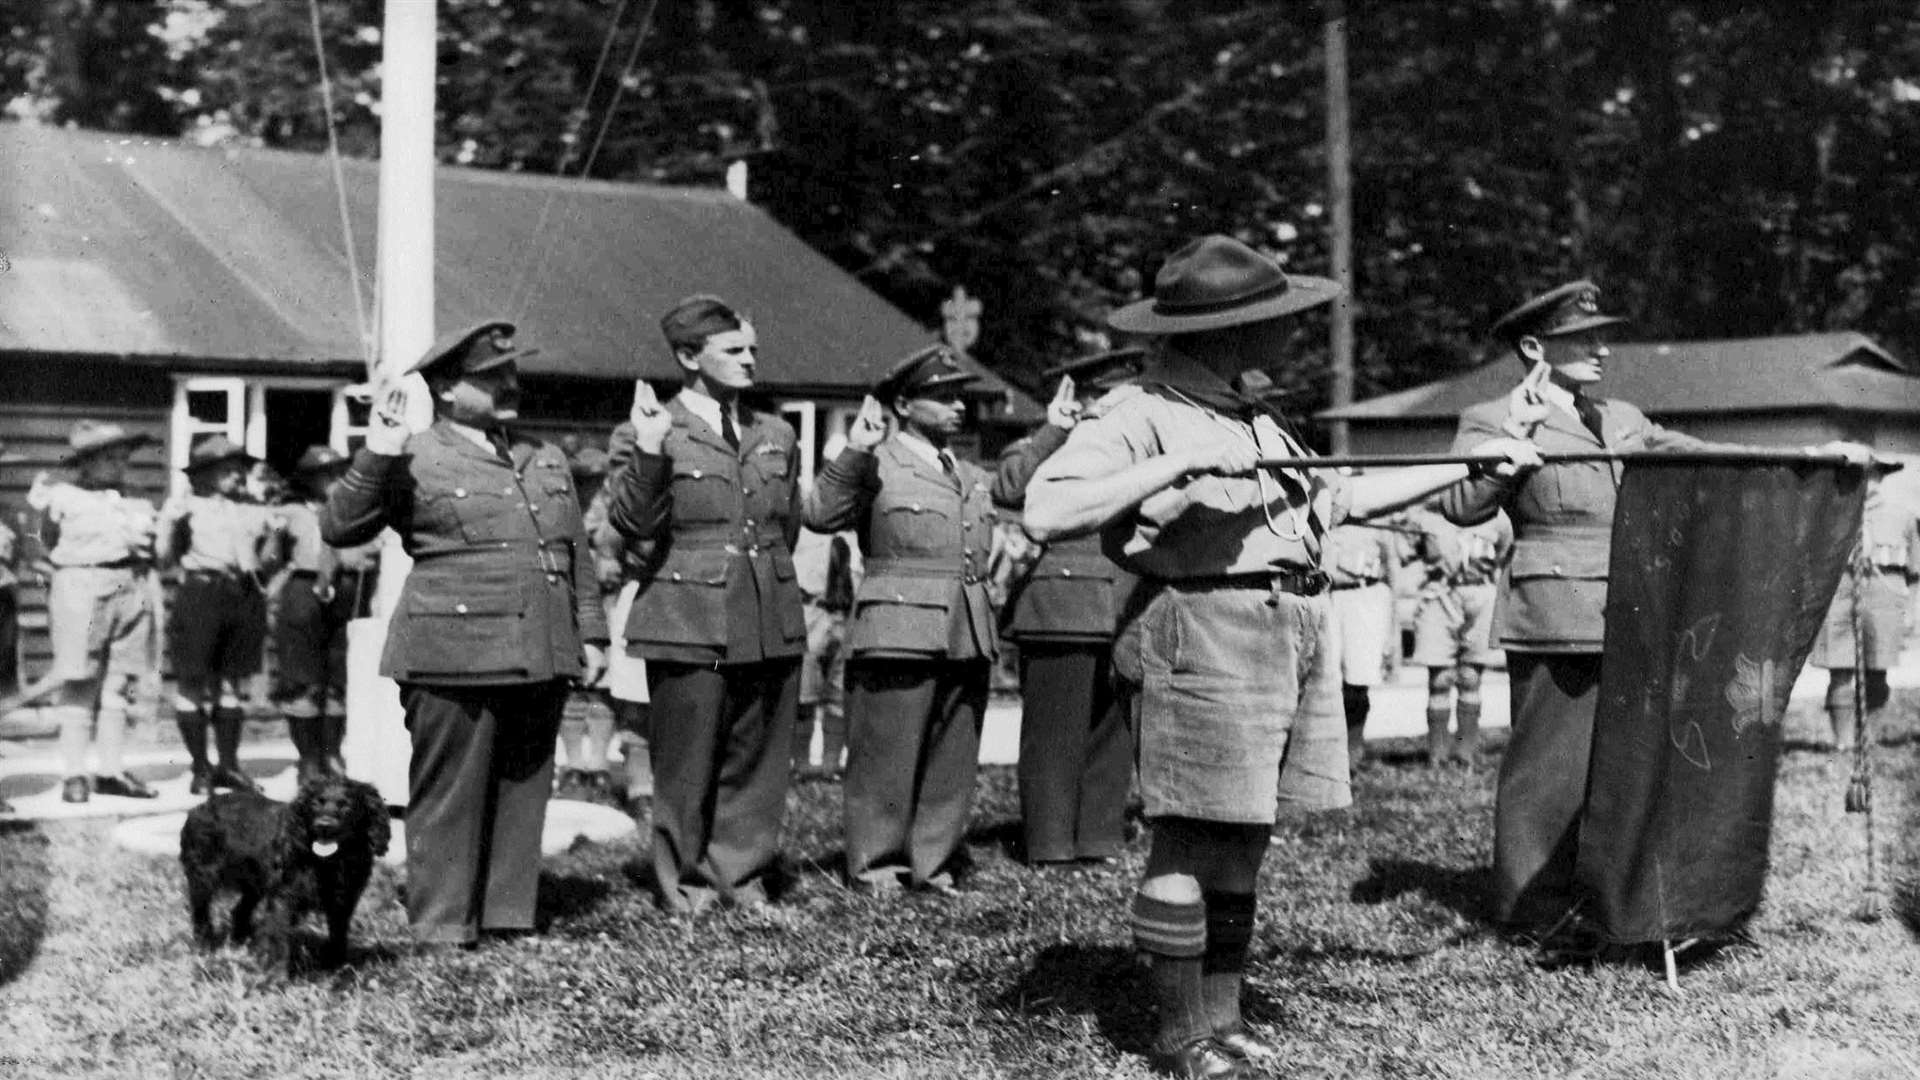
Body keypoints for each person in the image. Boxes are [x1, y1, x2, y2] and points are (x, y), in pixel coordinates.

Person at [1023, 235, 1539, 1079]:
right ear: (1231, 332)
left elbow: (1336, 501)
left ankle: (1220, 1019)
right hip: (1201, 627)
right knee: (1191, 842)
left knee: (1244, 841)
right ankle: (1180, 1034)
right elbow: (1046, 512)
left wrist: (1465, 463)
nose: (1294, 334)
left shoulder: (1253, 413)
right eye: (1281, 320)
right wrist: (1180, 461)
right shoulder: (1141, 412)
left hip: (1284, 628)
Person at [1435, 279, 1866, 936]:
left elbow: (1699, 457)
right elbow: (1461, 506)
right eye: (1585, 338)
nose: (1603, 349)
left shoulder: (1622, 418)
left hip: (1635, 608)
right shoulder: (1492, 418)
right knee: (1550, 772)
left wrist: (1806, 458)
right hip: (1556, 612)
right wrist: (1505, 451)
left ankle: (1606, 898)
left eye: (1603, 335)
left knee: (1625, 764)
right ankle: (1538, 915)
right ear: (1533, 346)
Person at [320, 320, 608, 947]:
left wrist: (593, 633)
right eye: (492, 376)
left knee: (525, 784)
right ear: (447, 390)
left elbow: (573, 550)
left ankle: (507, 917)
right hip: (452, 653)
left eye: (513, 371)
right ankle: (443, 925)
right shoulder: (414, 453)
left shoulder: (545, 455)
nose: (511, 385)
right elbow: (341, 527)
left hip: (541, 647)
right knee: (449, 792)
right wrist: (380, 447)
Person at [605, 295, 807, 914]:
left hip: (766, 608)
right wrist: (649, 449)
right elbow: (632, 522)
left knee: (756, 757)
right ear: (689, 357)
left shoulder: (775, 432)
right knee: (688, 760)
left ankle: (741, 879)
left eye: (752, 350)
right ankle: (685, 888)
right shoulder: (650, 428)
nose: (750, 362)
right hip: (687, 615)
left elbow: (787, 526)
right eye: (734, 352)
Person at [807, 344, 1002, 896]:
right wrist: (853, 452)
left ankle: (931, 863)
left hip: (966, 627)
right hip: (896, 628)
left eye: (959, 396)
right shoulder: (876, 460)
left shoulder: (965, 470)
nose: (957, 407)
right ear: (904, 404)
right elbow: (821, 513)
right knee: (884, 755)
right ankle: (877, 868)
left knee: (952, 753)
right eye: (941, 397)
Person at [992, 347, 1144, 867]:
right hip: (1061, 605)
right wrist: (1053, 432)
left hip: (1124, 602)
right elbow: (1009, 487)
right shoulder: (1050, 444)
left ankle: (1098, 838)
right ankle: (1051, 844)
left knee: (1113, 732)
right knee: (1055, 735)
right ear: (1081, 398)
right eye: (1105, 397)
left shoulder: (1142, 447)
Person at [24, 421, 164, 804]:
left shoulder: (136, 496)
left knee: (119, 682)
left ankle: (110, 770)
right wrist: (57, 576)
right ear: (86, 463)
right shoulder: (60, 496)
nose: (118, 465)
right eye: (109, 459)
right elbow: (39, 541)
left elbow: (154, 545)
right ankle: (74, 773)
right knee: (80, 680)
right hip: (82, 585)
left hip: (130, 585)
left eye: (122, 458)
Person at [157, 435, 284, 796]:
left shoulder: (254, 508)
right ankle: (200, 768)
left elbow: (269, 562)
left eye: (239, 470)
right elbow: (164, 559)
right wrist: (169, 523)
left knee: (231, 683)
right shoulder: (185, 507)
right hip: (200, 593)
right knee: (192, 682)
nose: (237, 477)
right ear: (205, 475)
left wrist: (274, 535)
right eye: (227, 471)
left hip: (241, 595)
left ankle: (228, 766)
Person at [272, 446, 378, 783]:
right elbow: (269, 556)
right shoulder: (289, 512)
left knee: (338, 678)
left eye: (338, 472)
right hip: (304, 591)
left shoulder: (359, 512)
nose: (333, 481)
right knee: (302, 678)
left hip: (347, 593)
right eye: (325, 474)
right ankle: (308, 759)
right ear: (308, 480)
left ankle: (332, 753)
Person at [1807, 477, 1917, 751]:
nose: (1869, 482)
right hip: (1839, 594)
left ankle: (1869, 739)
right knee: (1840, 672)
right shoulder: (1829, 513)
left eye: (1875, 474)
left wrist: (1911, 609)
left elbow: (1915, 572)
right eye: (1860, 475)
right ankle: (1843, 744)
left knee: (1877, 672)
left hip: (1884, 596)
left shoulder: (1902, 516)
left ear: (1883, 476)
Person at [1405, 506, 1512, 766]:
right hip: (1439, 595)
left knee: (1470, 677)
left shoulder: (1496, 517)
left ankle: (1465, 753)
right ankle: (1437, 754)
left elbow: (1506, 553)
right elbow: (1406, 551)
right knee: (1440, 679)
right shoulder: (1426, 516)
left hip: (1479, 593)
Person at [554, 447, 622, 806]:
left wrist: (607, 558)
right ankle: (572, 765)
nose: (590, 487)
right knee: (571, 687)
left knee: (603, 688)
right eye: (583, 479)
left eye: (597, 478)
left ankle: (599, 766)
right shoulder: (562, 506)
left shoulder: (615, 505)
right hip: (568, 604)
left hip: (606, 604)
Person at [1320, 516, 1405, 771]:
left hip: (1365, 594)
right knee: (1326, 680)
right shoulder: (1325, 512)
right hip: (1329, 595)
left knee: (1358, 680)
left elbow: (1393, 567)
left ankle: (1352, 754)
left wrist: (1393, 619)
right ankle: (1325, 754)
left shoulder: (1376, 519)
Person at [789, 520, 861, 780]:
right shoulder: (804, 531)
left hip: (846, 615)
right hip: (811, 611)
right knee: (804, 696)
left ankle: (831, 767)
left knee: (839, 696)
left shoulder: (854, 534)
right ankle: (802, 765)